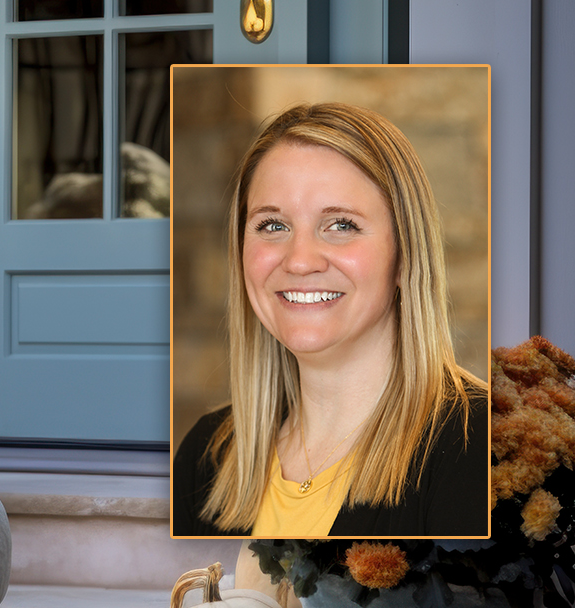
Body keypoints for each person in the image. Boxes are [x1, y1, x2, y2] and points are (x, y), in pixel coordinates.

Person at [171, 102, 488, 537]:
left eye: (340, 225)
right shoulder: (207, 457)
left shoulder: (483, 449)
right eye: (272, 226)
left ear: (405, 255)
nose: (300, 261)